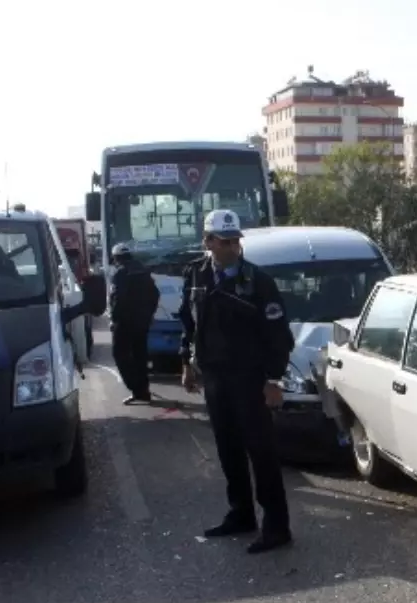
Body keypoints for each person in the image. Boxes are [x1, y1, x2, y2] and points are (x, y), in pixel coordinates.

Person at [177, 209, 295, 555]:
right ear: (208, 241)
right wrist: (186, 362)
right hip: (214, 376)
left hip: (250, 378)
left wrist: (274, 379)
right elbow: (189, 322)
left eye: (235, 241)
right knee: (228, 450)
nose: (231, 247)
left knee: (261, 452)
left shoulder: (257, 281)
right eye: (224, 241)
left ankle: (277, 526)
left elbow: (278, 336)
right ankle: (241, 513)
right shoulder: (196, 275)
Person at [108, 243, 160, 405]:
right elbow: (155, 295)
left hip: (125, 322)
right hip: (142, 321)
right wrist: (149, 314)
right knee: (140, 355)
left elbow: (118, 299)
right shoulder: (143, 271)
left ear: (116, 258)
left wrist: (114, 319)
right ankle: (143, 390)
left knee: (120, 354)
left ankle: (136, 388)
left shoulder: (120, 273)